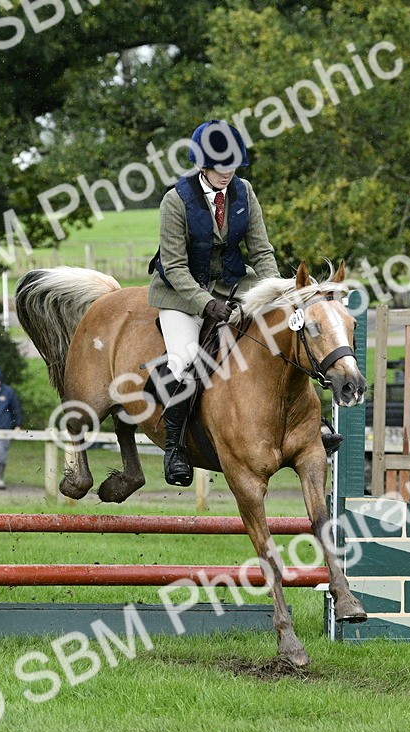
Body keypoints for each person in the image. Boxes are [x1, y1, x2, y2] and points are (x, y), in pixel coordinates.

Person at [146, 119, 281, 486]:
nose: (227, 173)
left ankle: (307, 423)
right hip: (180, 291)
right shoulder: (175, 201)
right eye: (220, 166)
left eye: (232, 165)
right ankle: (175, 448)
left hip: (233, 282)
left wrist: (277, 292)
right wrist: (206, 304)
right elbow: (173, 266)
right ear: (203, 163)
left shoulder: (245, 192)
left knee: (282, 335)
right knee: (186, 360)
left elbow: (261, 250)